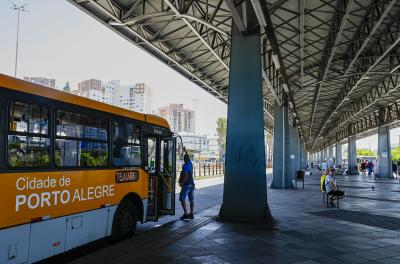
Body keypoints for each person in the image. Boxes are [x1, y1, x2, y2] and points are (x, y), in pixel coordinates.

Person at [178, 154, 195, 220]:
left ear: (184, 159)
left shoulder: (185, 166)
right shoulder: (190, 164)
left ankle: (186, 213)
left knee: (182, 199)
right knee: (191, 200)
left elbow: (186, 176)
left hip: (186, 185)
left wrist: (182, 183)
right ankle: (191, 213)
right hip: (192, 184)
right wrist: (185, 150)